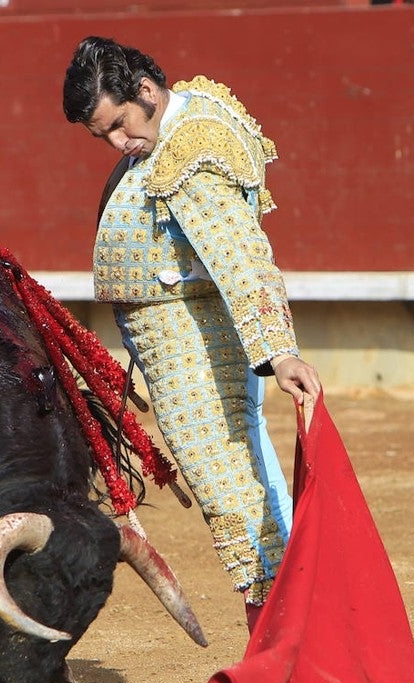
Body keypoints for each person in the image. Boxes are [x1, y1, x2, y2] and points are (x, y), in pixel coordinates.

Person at [62, 36, 322, 631]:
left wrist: (279, 353)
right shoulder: (182, 125)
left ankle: (285, 642)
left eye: (119, 125)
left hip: (195, 352)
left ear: (147, 92)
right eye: (101, 135)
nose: (116, 145)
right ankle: (293, 629)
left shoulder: (191, 155)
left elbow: (241, 256)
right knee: (248, 481)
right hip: (188, 340)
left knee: (232, 492)